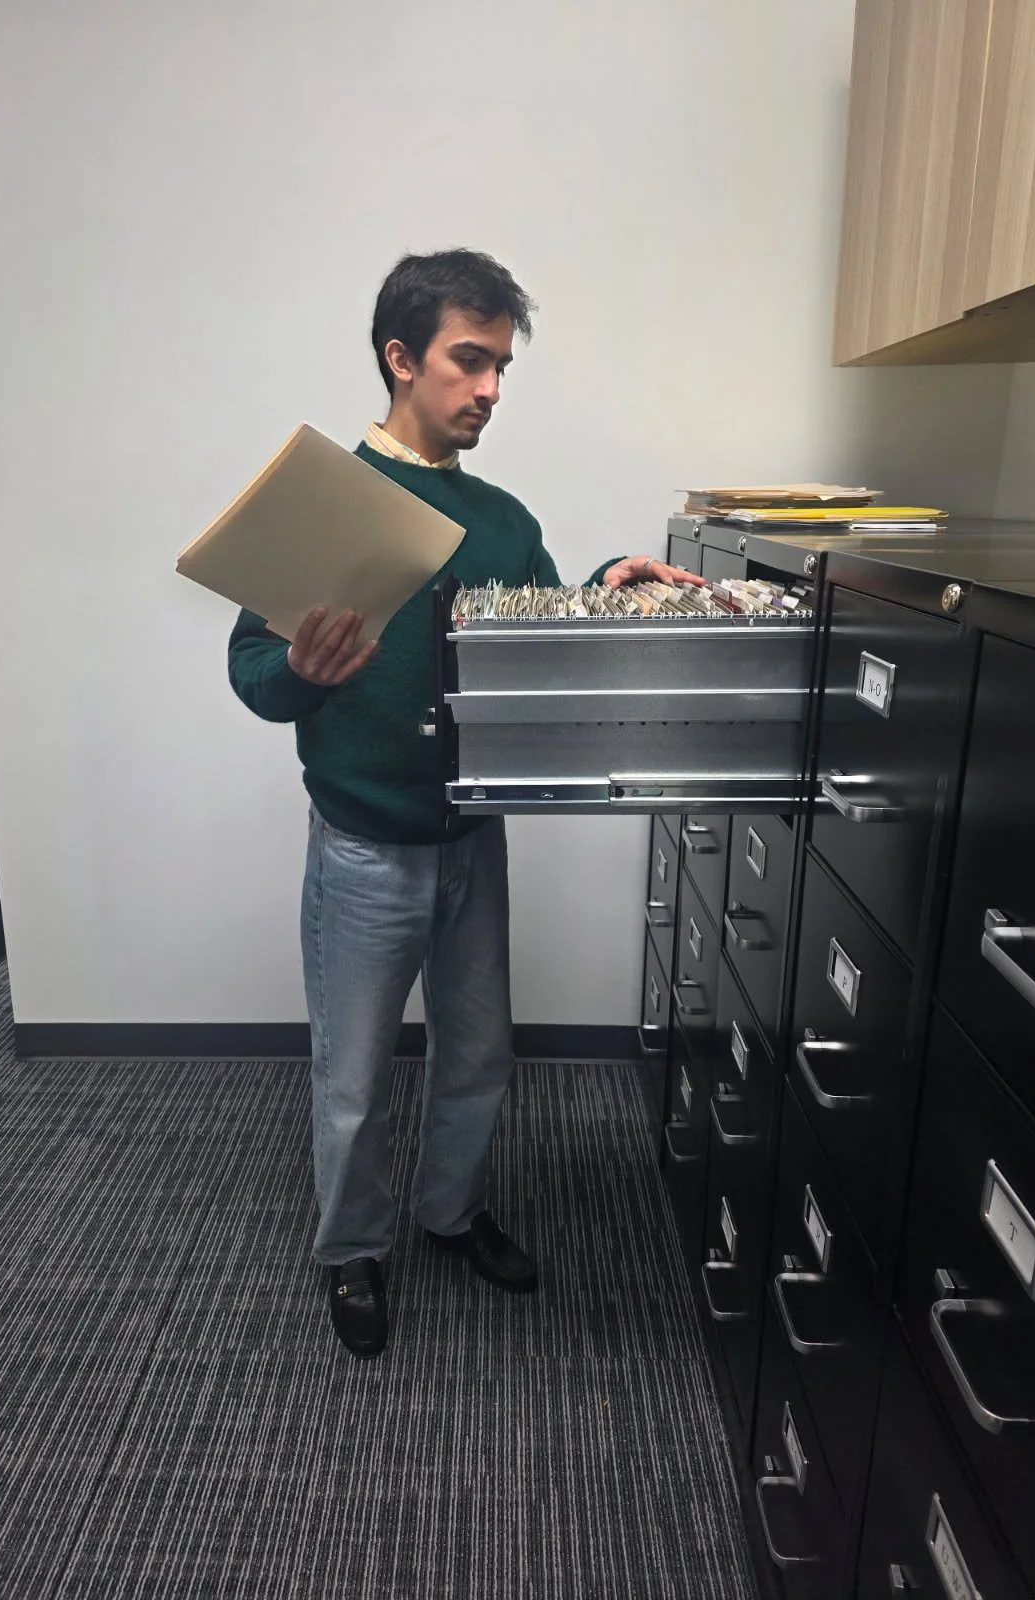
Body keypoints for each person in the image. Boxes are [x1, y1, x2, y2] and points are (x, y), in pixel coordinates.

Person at [227, 249, 702, 1359]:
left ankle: (450, 1214)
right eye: (468, 360)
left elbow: (537, 639)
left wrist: (601, 593)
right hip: (362, 849)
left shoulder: (498, 516)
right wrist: (306, 671)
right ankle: (352, 1247)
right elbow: (254, 677)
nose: (489, 388)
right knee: (352, 1073)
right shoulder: (323, 502)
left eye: (501, 366)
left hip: (471, 838)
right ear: (402, 359)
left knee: (480, 1053)